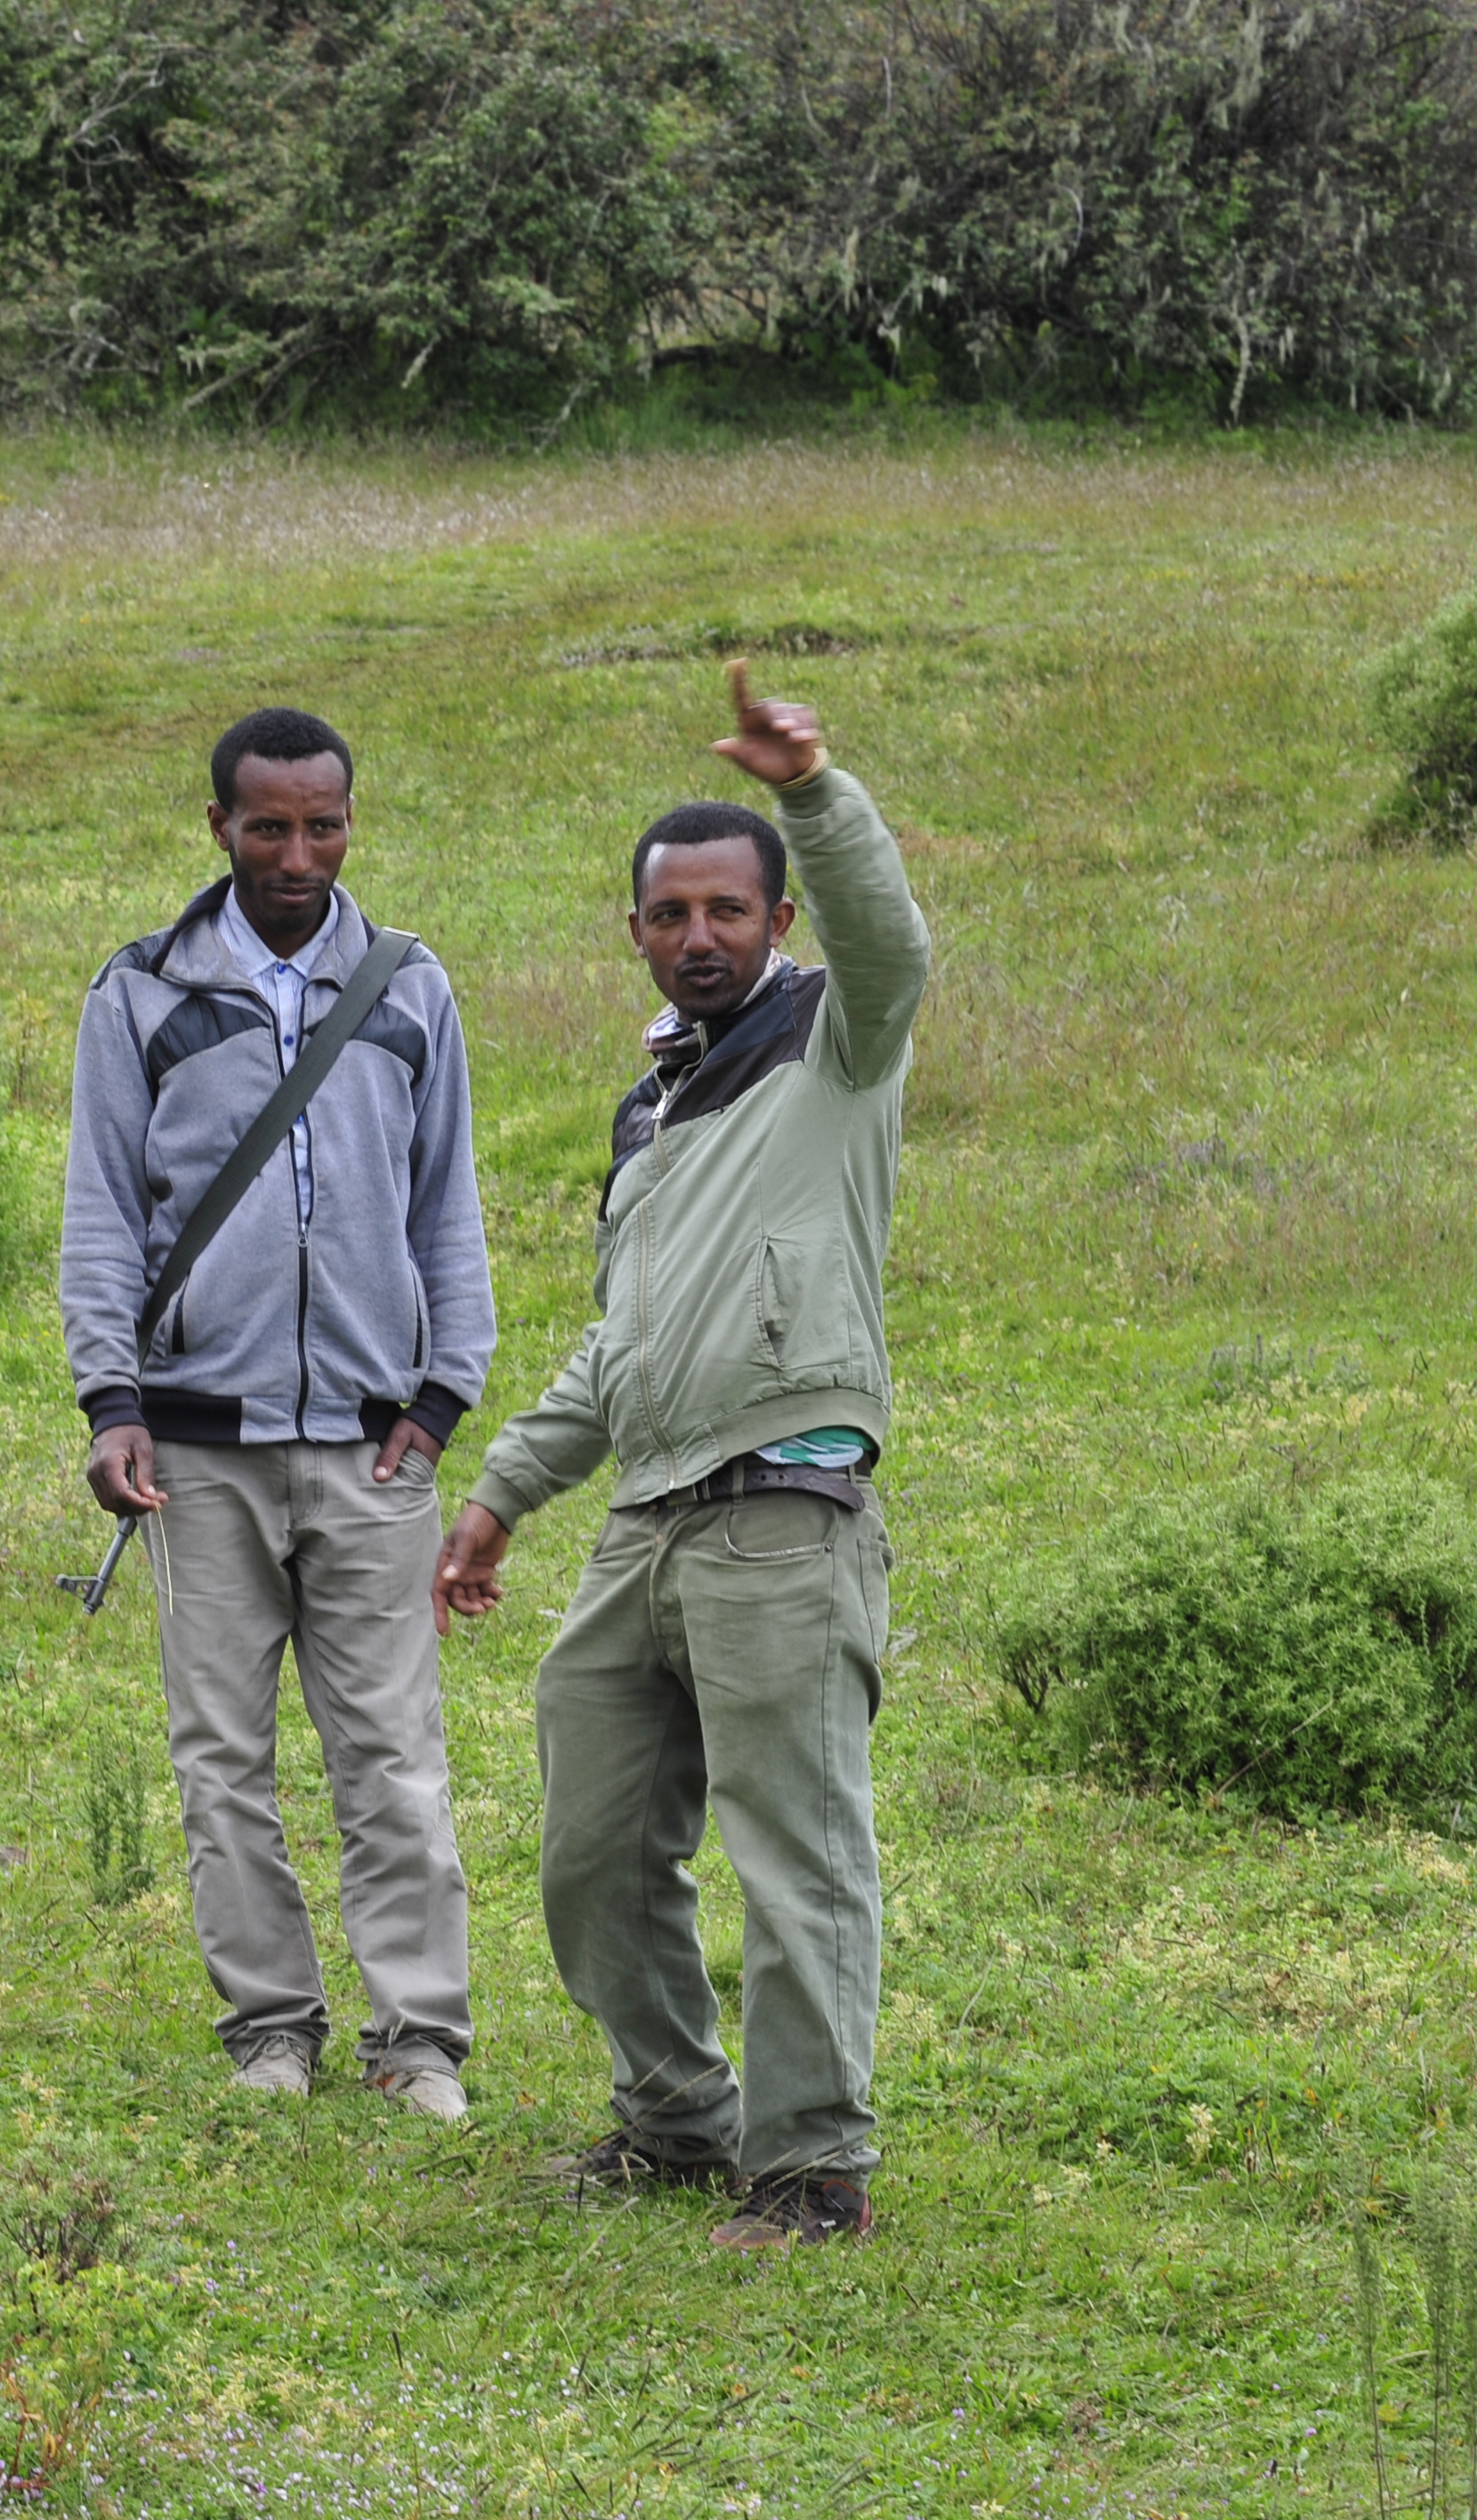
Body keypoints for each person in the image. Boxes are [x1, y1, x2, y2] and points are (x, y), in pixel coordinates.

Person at [432, 664, 929, 2249]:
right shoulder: (655, 1113)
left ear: (781, 922)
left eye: (731, 909)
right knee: (587, 1851)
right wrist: (506, 1492)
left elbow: (892, 940)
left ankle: (810, 2171)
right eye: (671, 914)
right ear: (636, 931)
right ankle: (676, 2121)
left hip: (783, 1503)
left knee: (796, 1854)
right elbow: (620, 1348)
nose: (700, 934)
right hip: (647, 1522)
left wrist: (813, 793)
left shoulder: (838, 1052)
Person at [61, 707, 495, 2121]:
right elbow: (103, 1219)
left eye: (324, 825)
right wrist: (111, 1400)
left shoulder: (411, 988)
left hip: (375, 1442)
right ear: (219, 830)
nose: (298, 853)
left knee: (393, 1756)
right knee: (220, 1758)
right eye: (269, 827)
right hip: (196, 1446)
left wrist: (442, 1397)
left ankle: (419, 2038)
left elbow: (450, 1211)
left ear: (351, 825)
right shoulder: (138, 995)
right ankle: (270, 2028)